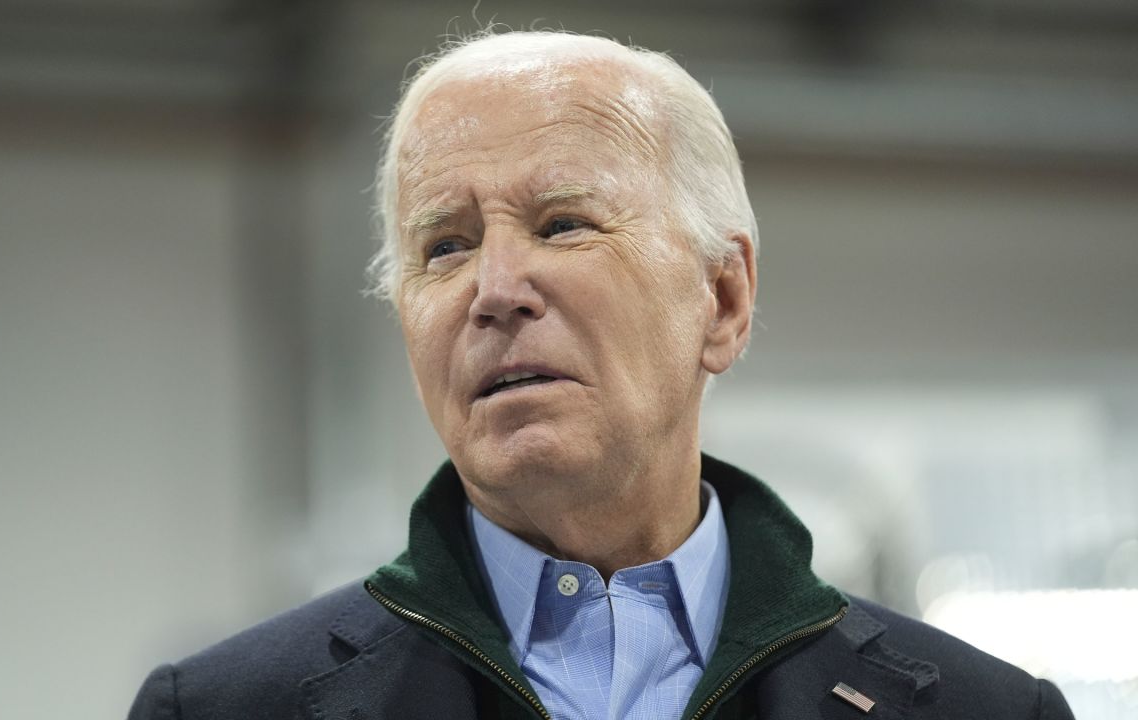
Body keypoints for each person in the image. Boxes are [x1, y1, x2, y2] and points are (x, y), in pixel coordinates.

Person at [127, 30, 1074, 720]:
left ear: (724, 299)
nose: (495, 290)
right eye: (445, 247)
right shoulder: (220, 709)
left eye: (562, 225)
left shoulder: (984, 711)